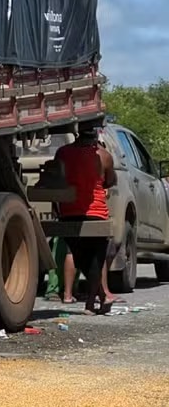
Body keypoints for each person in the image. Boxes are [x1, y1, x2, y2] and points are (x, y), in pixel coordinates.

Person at [55, 124, 117, 314]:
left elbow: (57, 178)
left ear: (77, 134)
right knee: (96, 260)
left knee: (82, 259)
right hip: (96, 213)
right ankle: (93, 302)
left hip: (69, 211)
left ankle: (99, 298)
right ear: (96, 135)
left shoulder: (63, 153)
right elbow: (111, 180)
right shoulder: (104, 155)